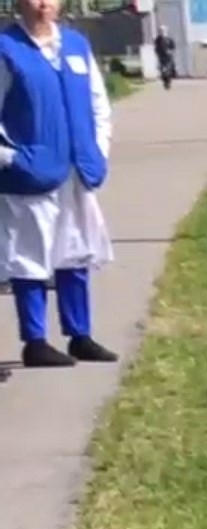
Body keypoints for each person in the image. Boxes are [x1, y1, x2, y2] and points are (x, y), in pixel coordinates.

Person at [0, 0, 117, 371]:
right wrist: (10, 157)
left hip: (75, 169)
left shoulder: (76, 45)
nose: (42, 4)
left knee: (76, 250)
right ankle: (35, 342)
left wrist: (97, 151)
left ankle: (79, 334)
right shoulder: (7, 49)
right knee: (30, 256)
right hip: (30, 173)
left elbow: (98, 104)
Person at [154, 25, 176, 89]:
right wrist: (157, 54)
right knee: (163, 70)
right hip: (161, 57)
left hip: (168, 57)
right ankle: (165, 81)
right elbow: (156, 48)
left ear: (166, 31)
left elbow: (173, 48)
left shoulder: (169, 39)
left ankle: (168, 82)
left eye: (163, 30)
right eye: (160, 30)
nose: (162, 32)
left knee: (167, 70)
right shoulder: (158, 39)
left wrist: (170, 52)